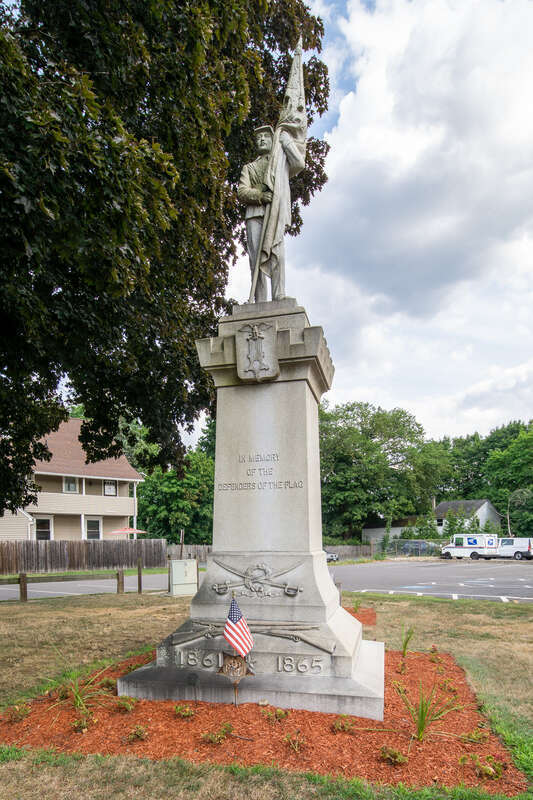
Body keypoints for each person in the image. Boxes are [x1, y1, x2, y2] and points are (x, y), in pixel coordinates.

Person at [238, 124, 305, 302]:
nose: (261, 140)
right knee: (255, 258)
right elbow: (242, 192)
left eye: (265, 137)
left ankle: (279, 294)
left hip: (275, 213)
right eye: (258, 138)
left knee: (277, 252)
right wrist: (260, 195)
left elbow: (299, 163)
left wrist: (287, 142)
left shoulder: (280, 162)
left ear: (272, 139)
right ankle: (259, 300)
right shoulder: (249, 168)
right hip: (254, 215)